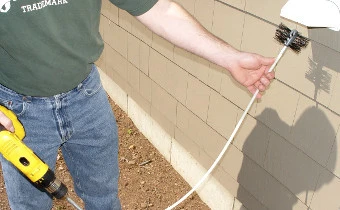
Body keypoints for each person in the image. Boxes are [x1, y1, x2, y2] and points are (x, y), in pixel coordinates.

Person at [0, 0, 275, 209]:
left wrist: (229, 57)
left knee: (103, 198)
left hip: (86, 97)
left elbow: (158, 10)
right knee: (30, 205)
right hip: (17, 111)